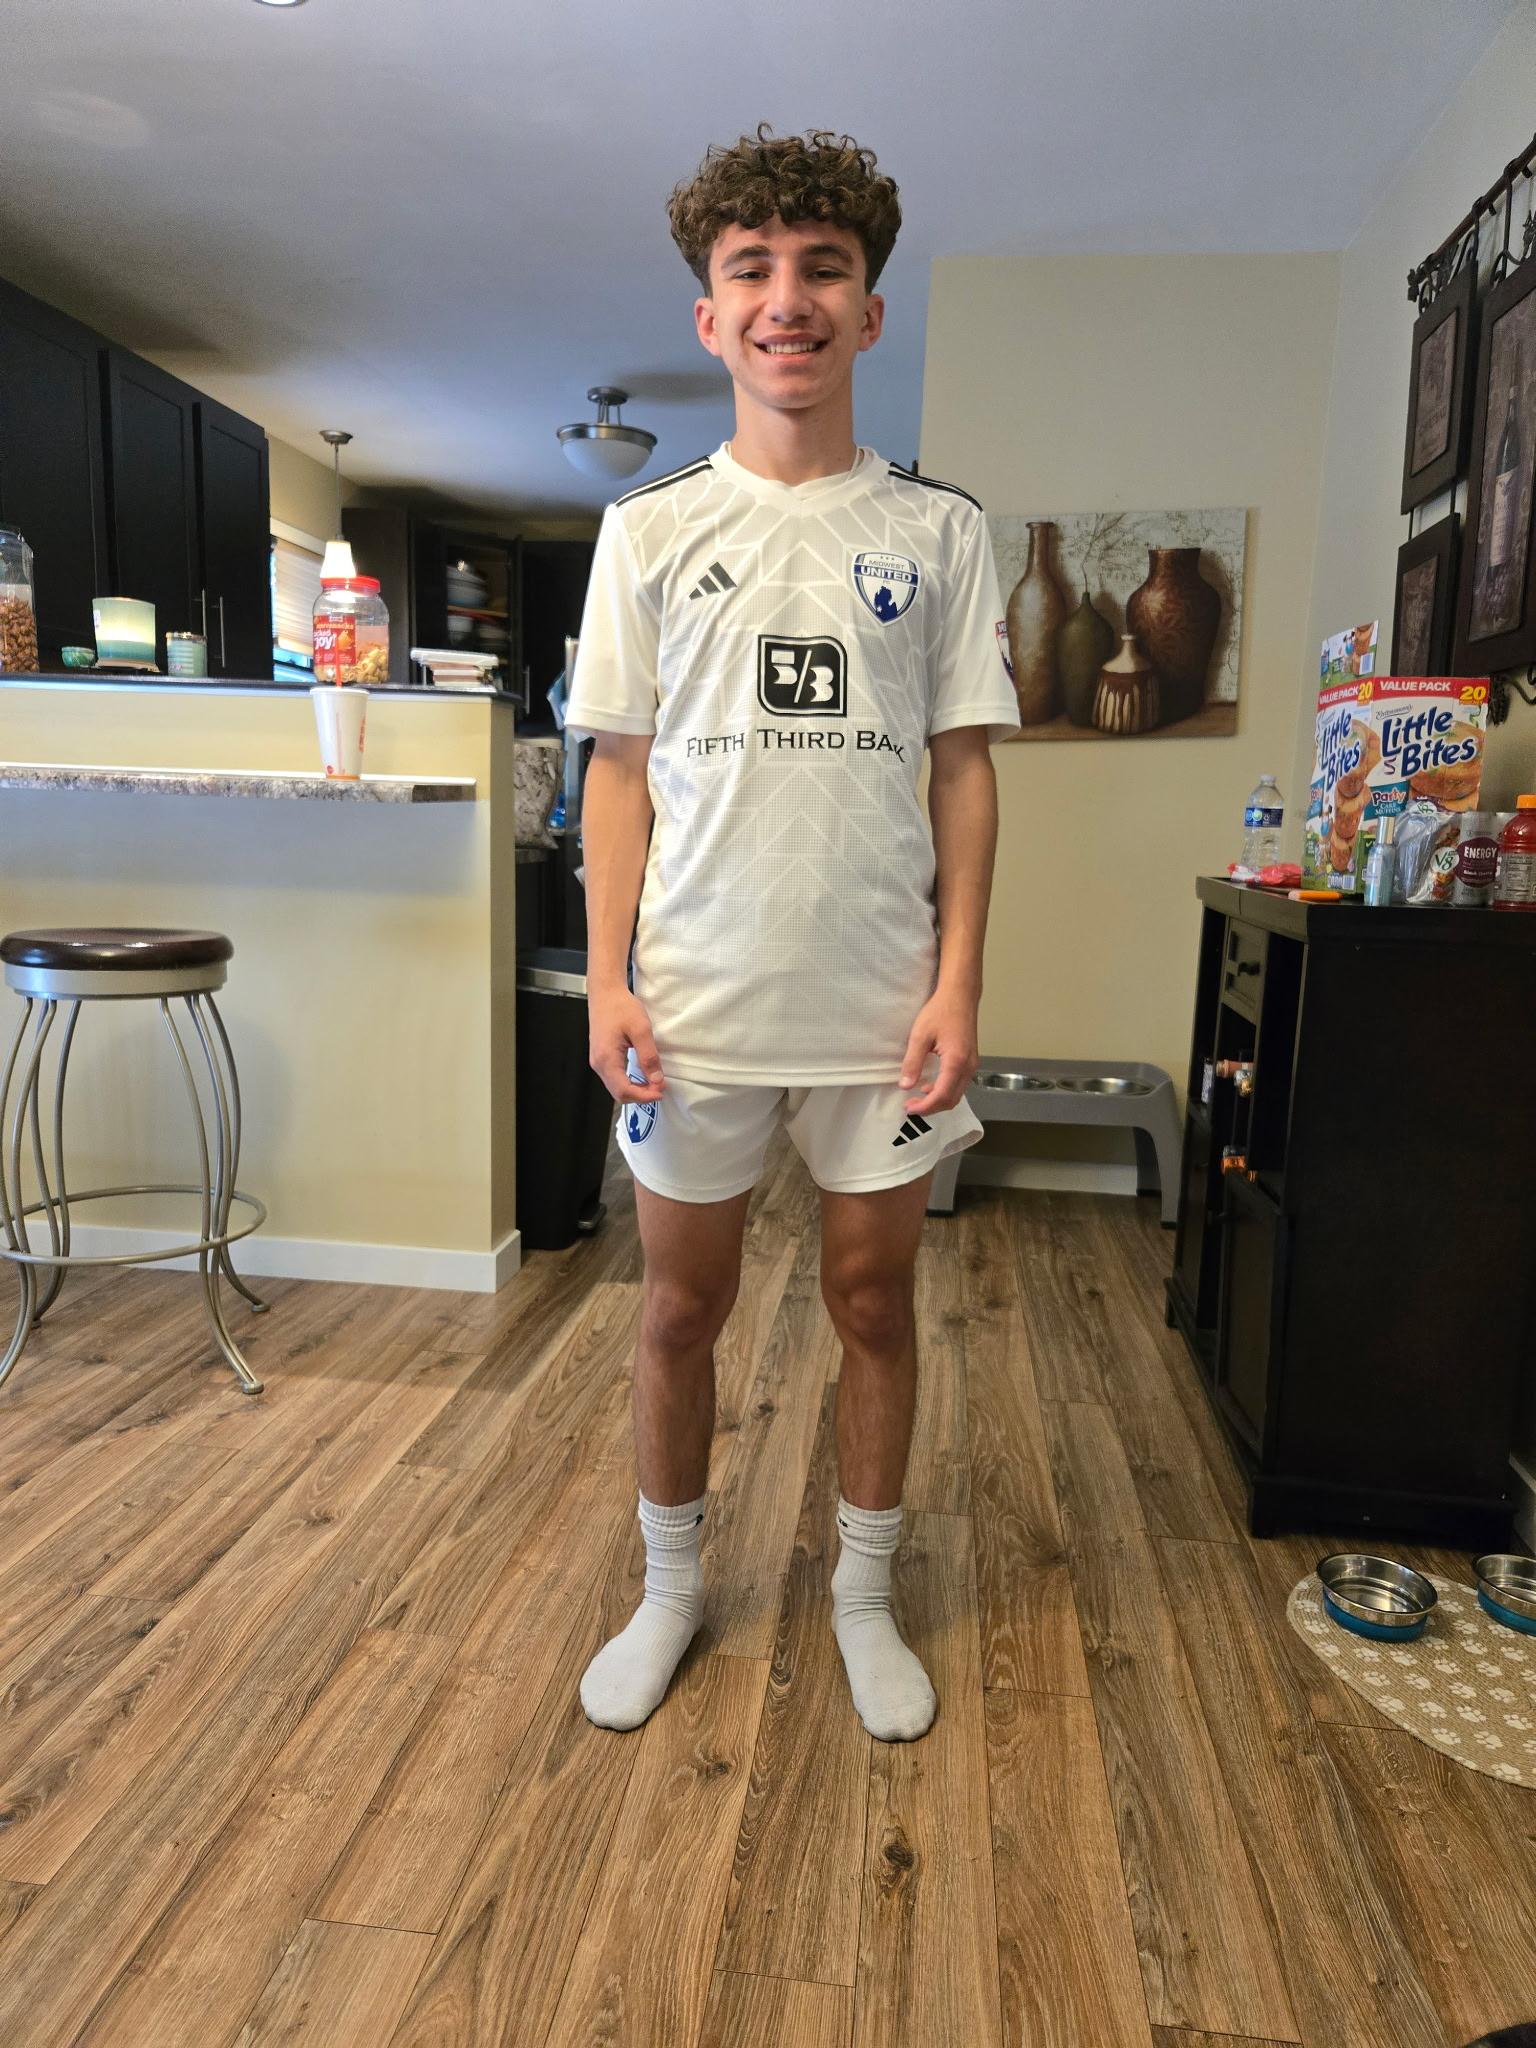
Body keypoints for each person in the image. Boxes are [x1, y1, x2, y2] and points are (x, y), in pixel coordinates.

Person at [564, 125, 1020, 1742]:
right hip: (692, 1003)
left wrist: (959, 983)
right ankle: (672, 1589)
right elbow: (618, 773)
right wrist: (606, 979)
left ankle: (864, 1594)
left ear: (869, 311)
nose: (788, 299)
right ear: (710, 318)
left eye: (824, 269)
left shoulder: (941, 531)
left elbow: (963, 773)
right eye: (751, 271)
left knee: (876, 1306)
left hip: (880, 1010)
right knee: (676, 1311)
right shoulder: (648, 531)